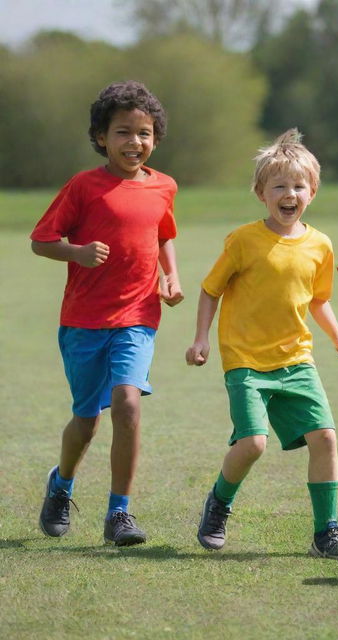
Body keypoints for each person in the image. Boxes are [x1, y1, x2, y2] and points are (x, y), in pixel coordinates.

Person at [185, 129, 338, 558]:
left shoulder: (320, 245)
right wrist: (201, 338)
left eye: (298, 186)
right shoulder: (243, 241)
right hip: (245, 361)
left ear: (312, 192)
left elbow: (318, 300)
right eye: (278, 185)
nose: (289, 193)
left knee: (326, 439)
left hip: (297, 360)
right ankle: (219, 504)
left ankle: (327, 531)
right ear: (261, 192)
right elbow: (210, 290)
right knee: (253, 444)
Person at [31, 81, 184, 546]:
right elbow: (40, 241)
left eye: (144, 133)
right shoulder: (83, 186)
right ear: (101, 137)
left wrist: (170, 276)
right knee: (86, 421)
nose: (134, 142)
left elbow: (163, 235)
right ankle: (61, 484)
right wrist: (75, 253)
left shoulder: (164, 186)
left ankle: (119, 513)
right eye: (122, 132)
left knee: (128, 402)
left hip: (138, 314)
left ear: (155, 137)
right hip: (83, 321)